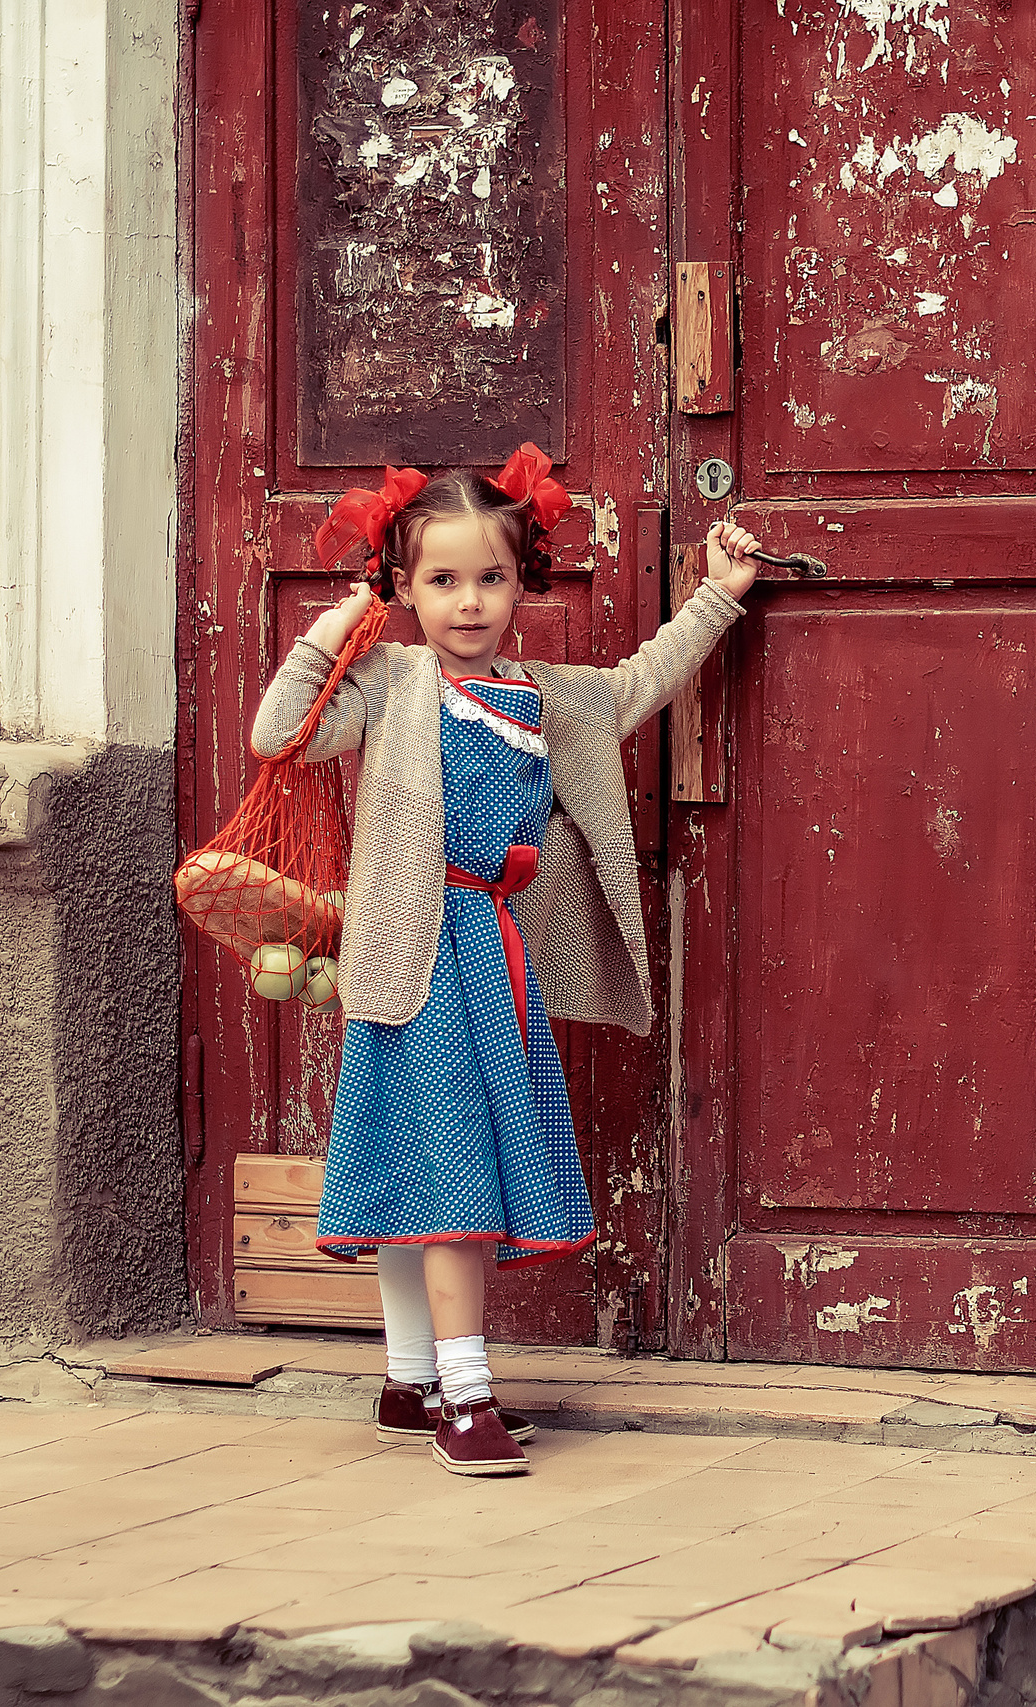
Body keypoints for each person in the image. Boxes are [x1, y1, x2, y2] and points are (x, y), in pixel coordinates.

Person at [251, 446, 761, 1475]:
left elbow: (642, 680)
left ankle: (409, 1380)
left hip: (494, 958)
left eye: (490, 577)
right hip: (411, 954)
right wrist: (340, 625)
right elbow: (277, 734)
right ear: (402, 587)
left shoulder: (550, 697)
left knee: (428, 1166)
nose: (469, 601)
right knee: (444, 1177)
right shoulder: (390, 684)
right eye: (440, 580)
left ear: (526, 581)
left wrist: (719, 596)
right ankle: (466, 1397)